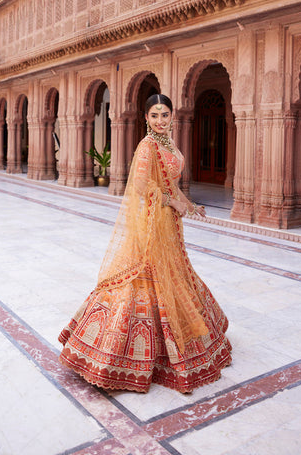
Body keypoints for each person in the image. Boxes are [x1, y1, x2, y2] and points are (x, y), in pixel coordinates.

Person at [58, 94, 232, 393]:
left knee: (174, 271)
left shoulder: (170, 144)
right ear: (146, 118)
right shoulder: (148, 145)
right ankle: (117, 351)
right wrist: (170, 203)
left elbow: (171, 183)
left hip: (170, 222)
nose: (161, 121)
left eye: (165, 115)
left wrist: (188, 205)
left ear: (171, 116)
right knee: (149, 275)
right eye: (155, 116)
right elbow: (140, 186)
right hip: (155, 221)